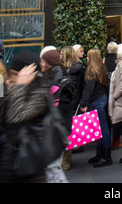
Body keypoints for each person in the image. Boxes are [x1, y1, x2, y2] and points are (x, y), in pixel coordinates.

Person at [0, 52, 52, 183]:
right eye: (11, 74)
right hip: (11, 164)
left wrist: (19, 87)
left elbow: (15, 117)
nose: (11, 79)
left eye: (16, 75)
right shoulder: (12, 90)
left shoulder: (39, 95)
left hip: (28, 168)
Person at [40, 48, 74, 182]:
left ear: (49, 63)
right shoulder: (52, 77)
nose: (41, 64)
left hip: (55, 129)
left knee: (52, 167)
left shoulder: (58, 81)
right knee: (53, 167)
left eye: (43, 61)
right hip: (56, 129)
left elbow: (61, 107)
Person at [80, 48, 112, 168]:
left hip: (96, 100)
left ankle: (105, 157)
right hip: (102, 98)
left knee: (100, 129)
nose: (86, 58)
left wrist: (83, 103)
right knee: (102, 128)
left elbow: (88, 89)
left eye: (88, 56)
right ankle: (102, 155)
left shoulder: (91, 70)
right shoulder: (102, 68)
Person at [60, 45, 85, 170]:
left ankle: (66, 159)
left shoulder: (69, 70)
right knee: (68, 128)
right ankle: (66, 157)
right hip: (72, 100)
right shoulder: (74, 68)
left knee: (68, 129)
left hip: (69, 101)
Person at [103, 41, 122, 151]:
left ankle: (106, 141)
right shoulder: (118, 61)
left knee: (107, 116)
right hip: (116, 92)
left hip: (106, 91)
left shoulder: (104, 61)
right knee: (116, 117)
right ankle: (116, 141)